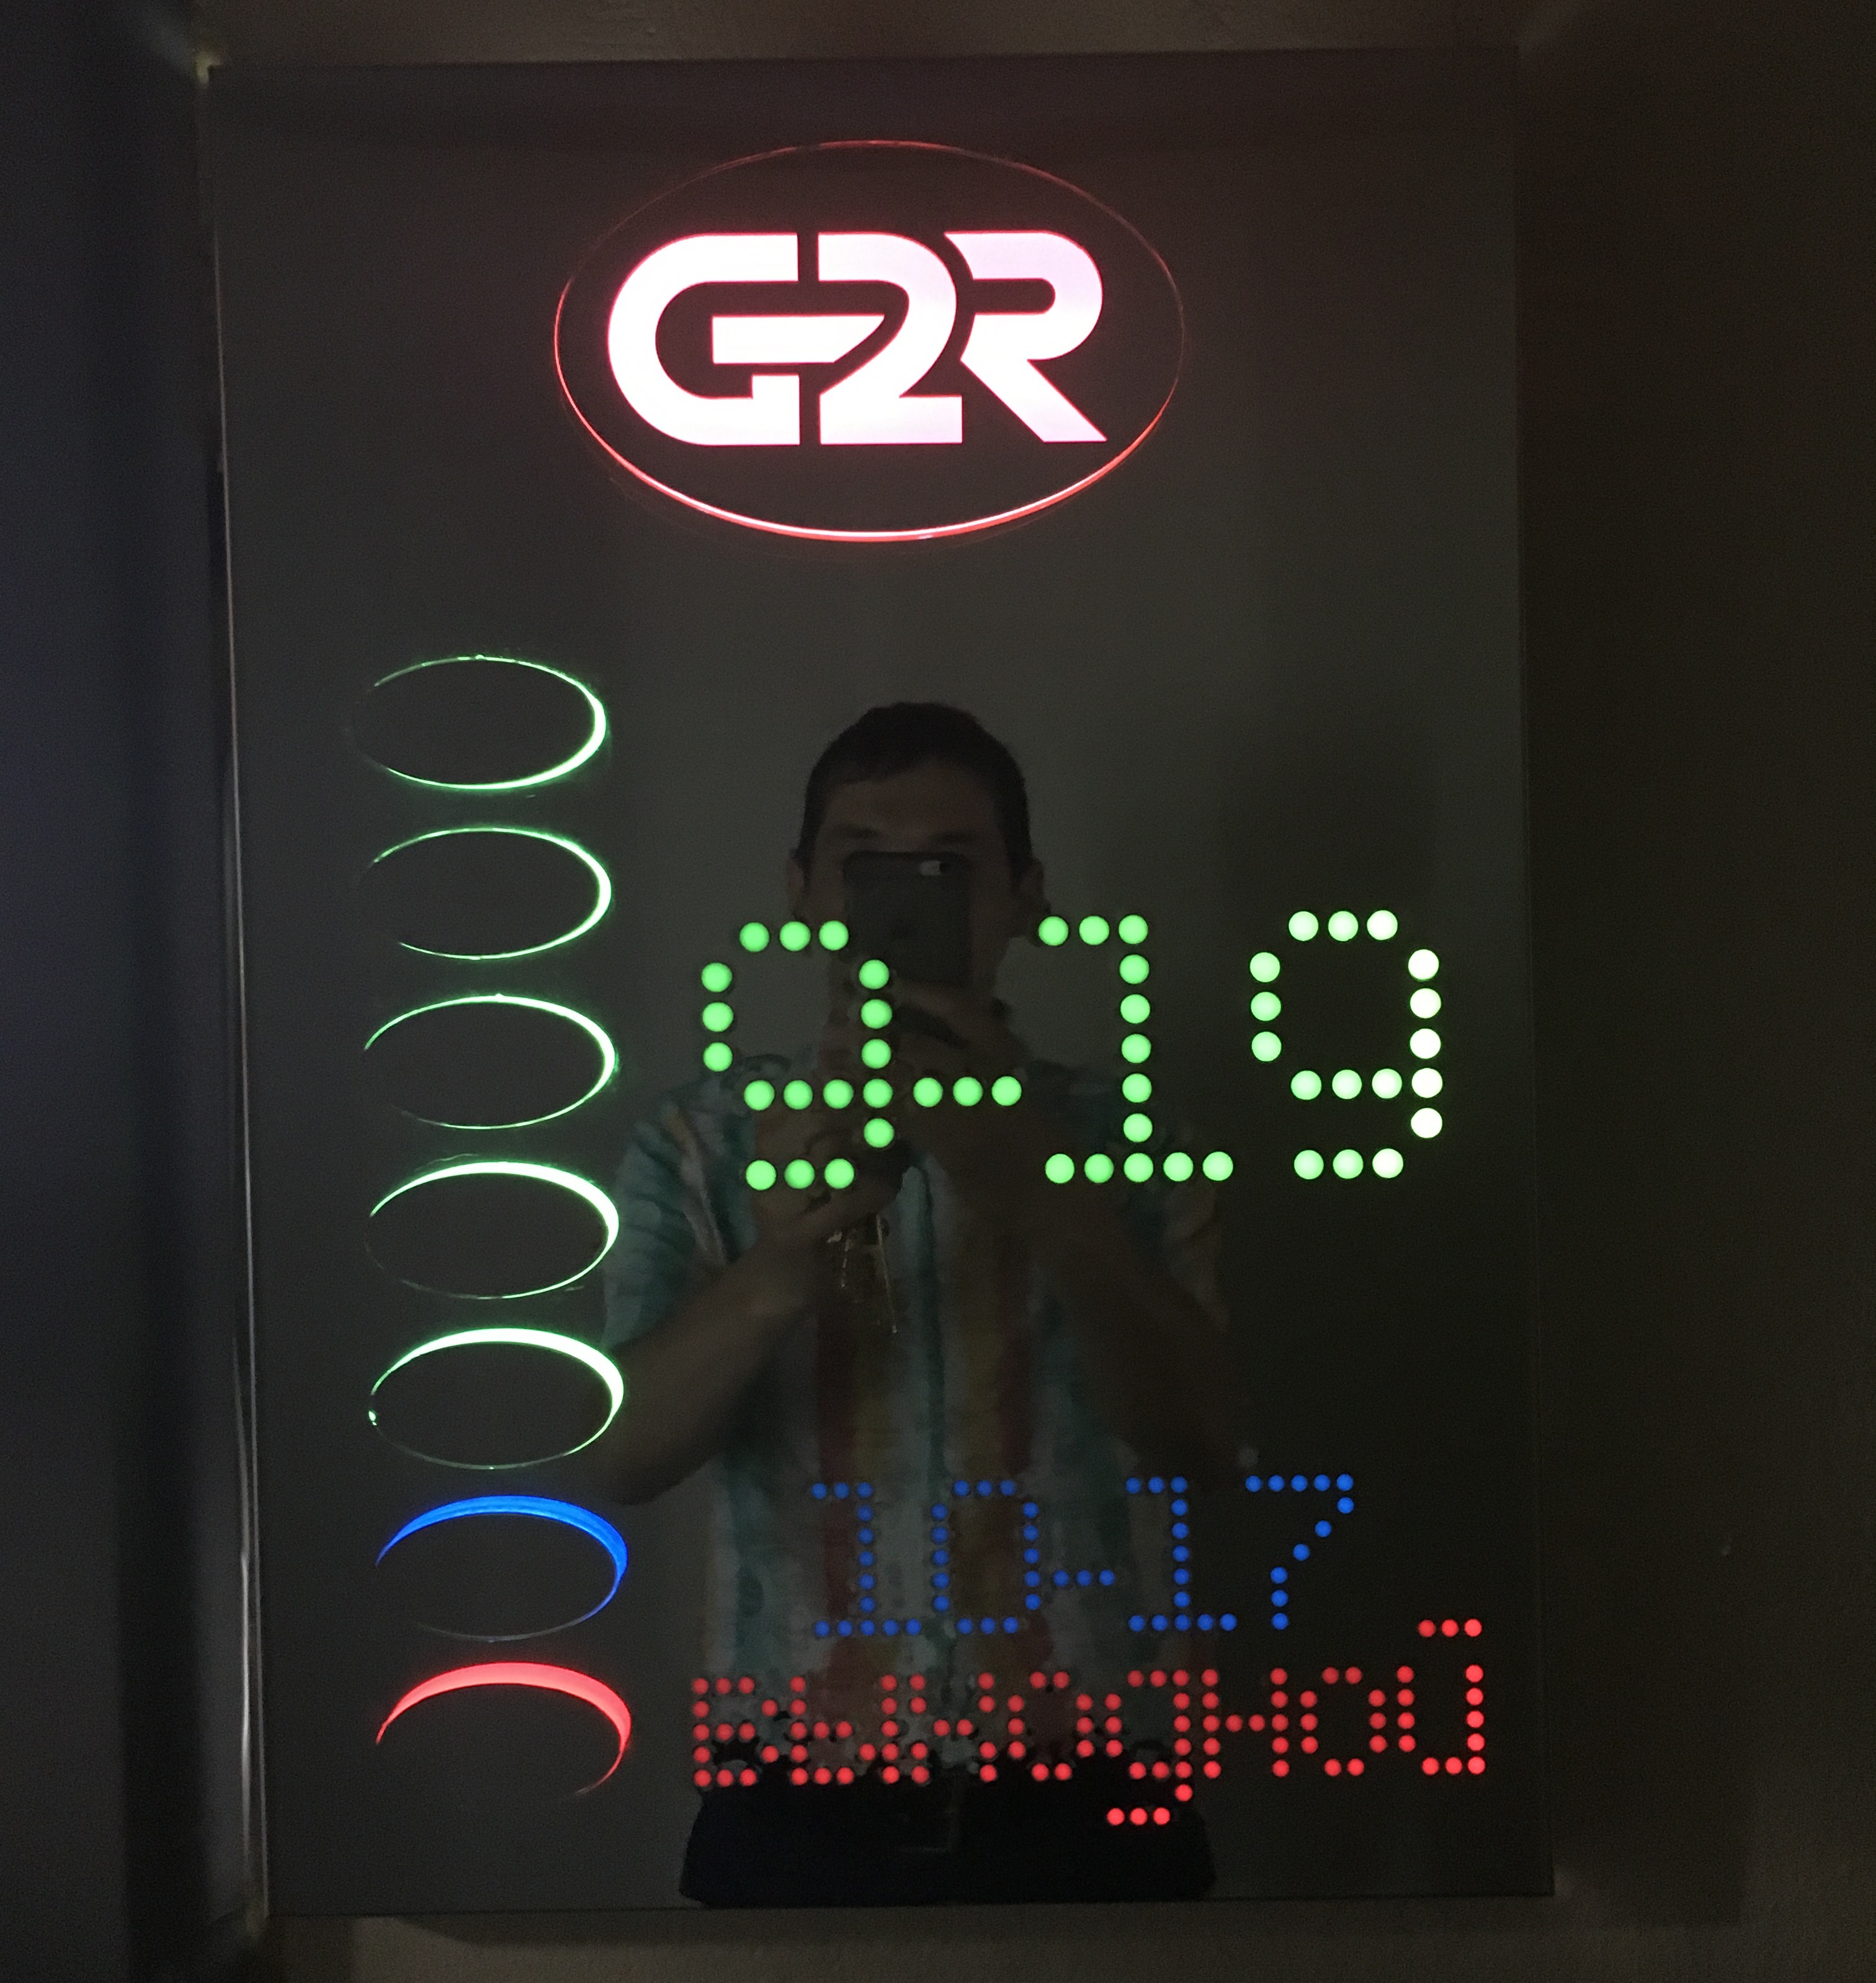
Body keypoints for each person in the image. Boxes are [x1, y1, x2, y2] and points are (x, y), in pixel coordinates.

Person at [596, 703, 1241, 1901]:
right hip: (789, 1805)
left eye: (951, 865)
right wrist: (778, 1269)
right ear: (802, 892)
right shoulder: (697, 1145)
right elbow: (620, 1453)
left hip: (1093, 1802)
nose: (903, 899)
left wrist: (1045, 1198)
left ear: (1022, 895)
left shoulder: (1136, 1141)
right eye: (865, 866)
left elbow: (1203, 1440)